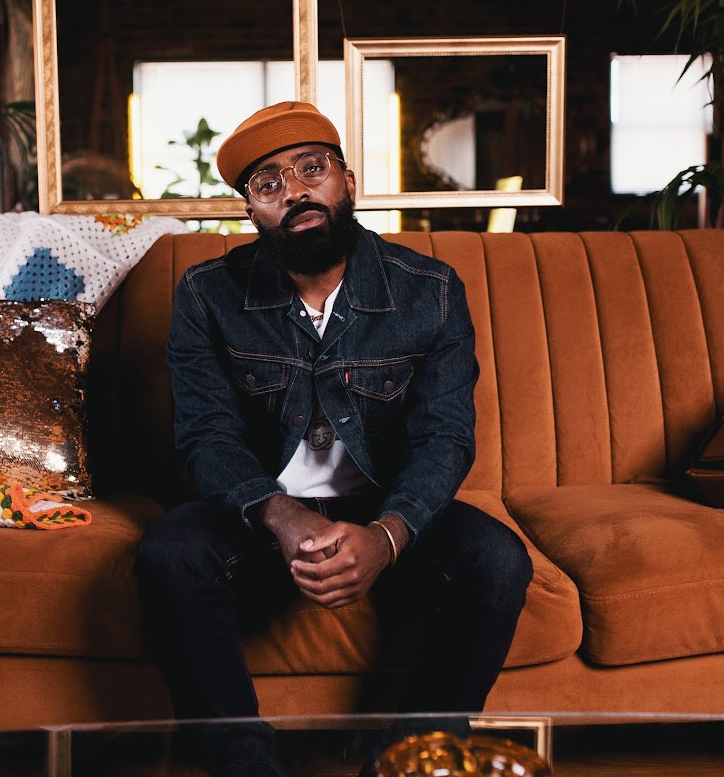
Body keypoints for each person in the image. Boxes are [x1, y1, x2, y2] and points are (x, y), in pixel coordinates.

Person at [135, 101, 533, 776]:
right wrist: (280, 514)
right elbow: (207, 435)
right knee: (169, 553)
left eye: (311, 170)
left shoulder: (430, 290)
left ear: (349, 183)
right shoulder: (207, 294)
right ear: (251, 213)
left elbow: (445, 438)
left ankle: (408, 761)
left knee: (497, 562)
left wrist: (386, 536)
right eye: (268, 184)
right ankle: (245, 768)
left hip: (383, 507)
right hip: (262, 514)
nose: (294, 192)